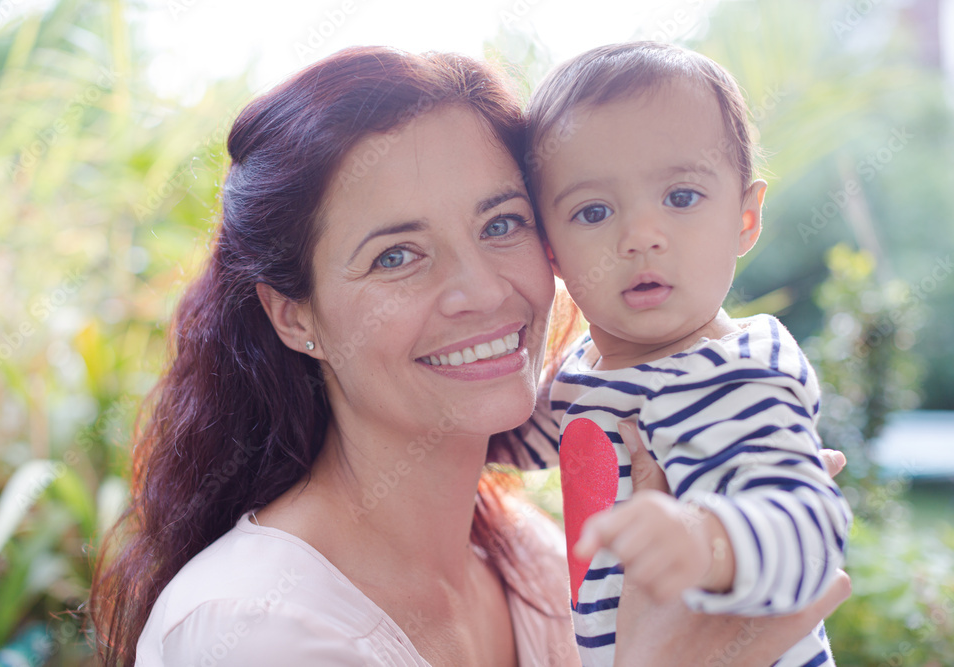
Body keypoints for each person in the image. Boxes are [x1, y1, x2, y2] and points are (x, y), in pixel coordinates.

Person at [89, 45, 850, 666]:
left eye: (501, 224)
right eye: (396, 255)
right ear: (295, 316)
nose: (482, 291)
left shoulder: (537, 564)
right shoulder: (254, 632)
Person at [515, 42, 854, 666]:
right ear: (552, 253)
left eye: (681, 197)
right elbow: (508, 438)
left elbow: (812, 530)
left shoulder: (736, 375)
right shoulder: (583, 373)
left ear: (746, 219)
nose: (641, 236)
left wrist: (708, 541)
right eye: (593, 211)